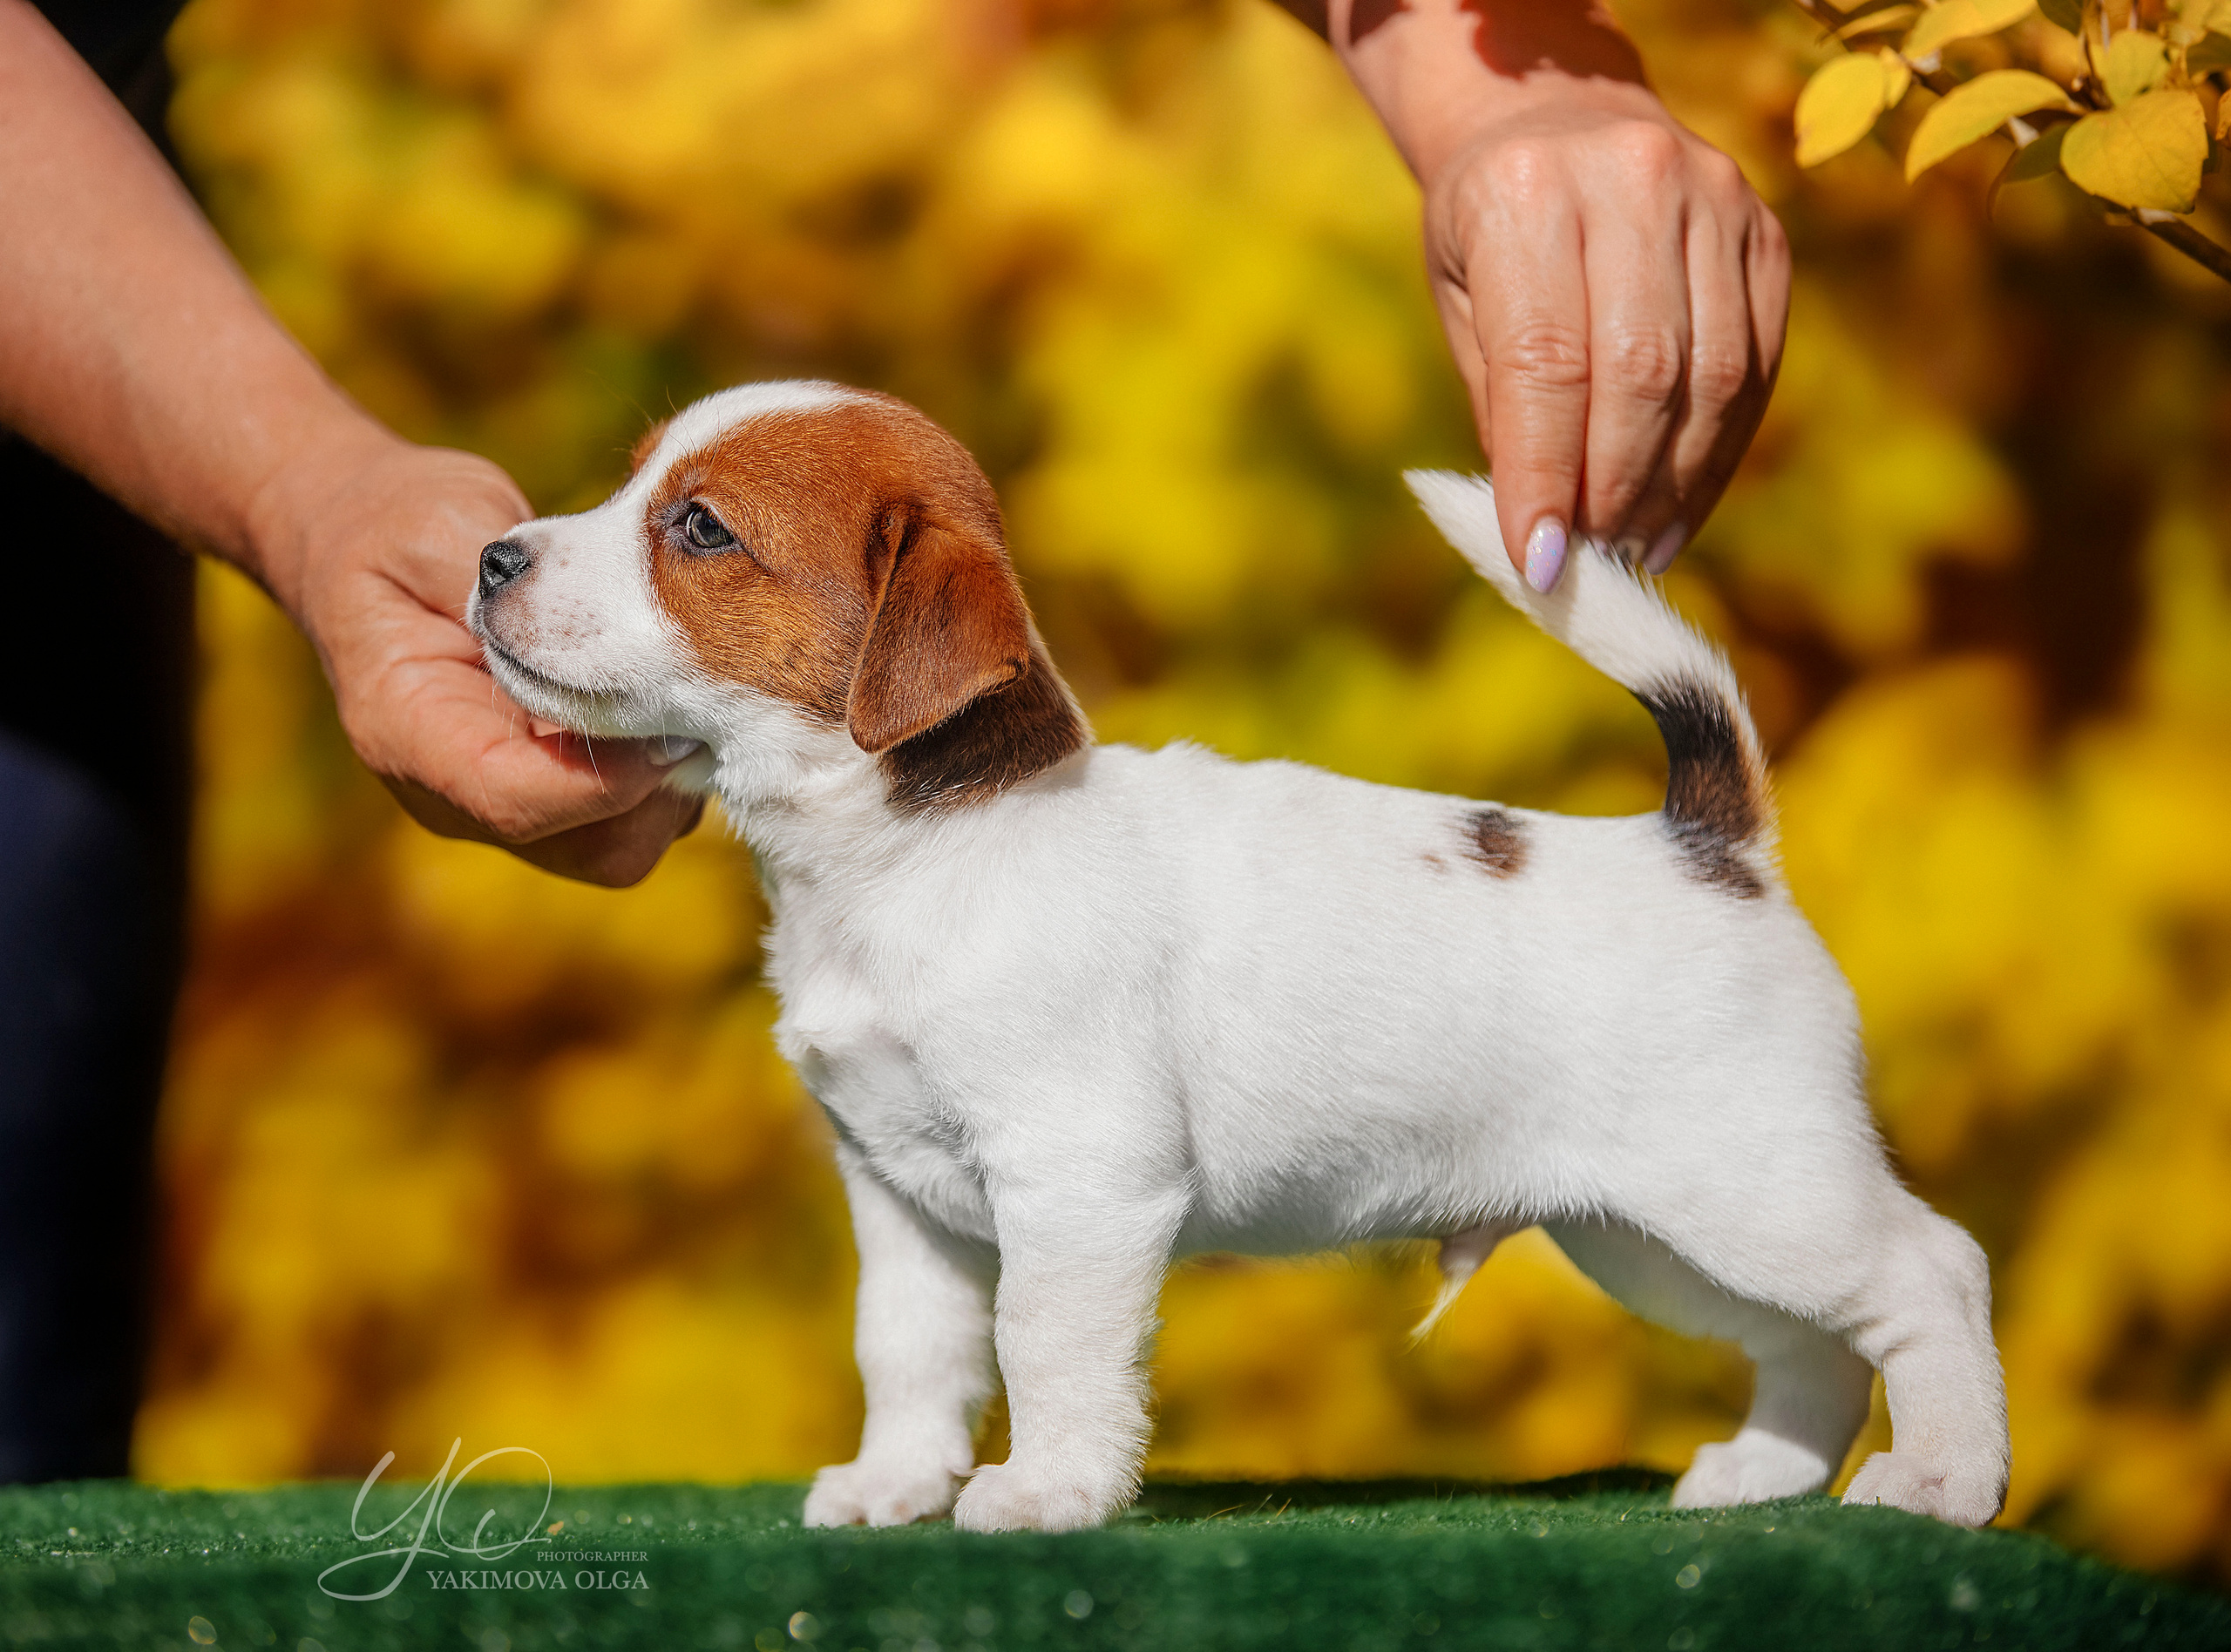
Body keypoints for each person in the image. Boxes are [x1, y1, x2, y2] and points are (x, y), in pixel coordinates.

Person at [0, 0, 1787, 1479]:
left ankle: (1892, 1363)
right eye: (644, 501)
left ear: (916, 649)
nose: (551, 544)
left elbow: (1089, 1177)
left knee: (1728, 1218)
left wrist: (1498, 82)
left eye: (688, 532)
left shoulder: (1030, 879)